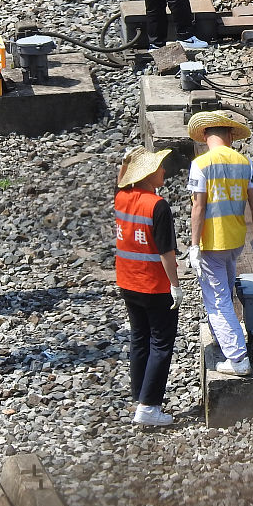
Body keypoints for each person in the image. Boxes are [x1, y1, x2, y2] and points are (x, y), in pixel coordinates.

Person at [186, 111, 253, 377]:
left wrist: (194, 245)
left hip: (212, 243)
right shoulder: (244, 162)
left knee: (218, 301)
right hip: (235, 241)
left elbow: (198, 207)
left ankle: (237, 358)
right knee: (225, 294)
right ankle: (225, 340)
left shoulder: (201, 164)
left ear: (204, 137)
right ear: (231, 136)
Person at [114, 147, 182, 427]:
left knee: (139, 338)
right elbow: (167, 253)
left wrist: (124, 163)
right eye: (158, 167)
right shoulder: (157, 205)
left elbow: (119, 182)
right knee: (161, 344)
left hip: (127, 282)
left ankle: (139, 394)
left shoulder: (121, 199)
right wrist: (175, 286)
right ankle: (149, 406)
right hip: (153, 285)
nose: (163, 170)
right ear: (146, 174)